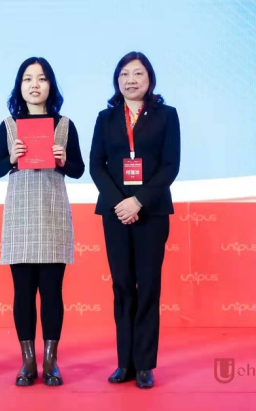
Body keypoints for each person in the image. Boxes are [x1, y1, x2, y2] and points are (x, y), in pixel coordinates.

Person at [0, 57, 84, 387]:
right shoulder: (8, 126)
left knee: (53, 292)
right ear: (20, 86)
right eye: (28, 79)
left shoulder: (65, 125)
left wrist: (64, 160)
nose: (34, 85)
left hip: (53, 215)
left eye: (41, 79)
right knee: (23, 292)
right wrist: (11, 157)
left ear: (50, 85)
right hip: (20, 217)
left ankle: (51, 361)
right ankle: (28, 361)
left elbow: (78, 170)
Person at [89, 51, 181, 389]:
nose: (131, 80)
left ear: (150, 79)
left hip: (151, 212)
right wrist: (120, 203)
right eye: (124, 74)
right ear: (117, 80)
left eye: (138, 73)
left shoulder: (166, 115)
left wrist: (139, 201)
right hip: (115, 213)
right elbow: (96, 165)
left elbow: (170, 165)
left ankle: (144, 364)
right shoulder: (106, 118)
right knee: (122, 286)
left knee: (148, 286)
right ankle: (124, 362)